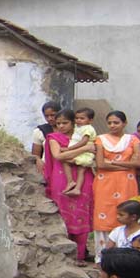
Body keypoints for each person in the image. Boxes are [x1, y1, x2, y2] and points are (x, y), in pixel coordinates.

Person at [45, 110, 96, 265]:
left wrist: (76, 151)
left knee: (82, 211)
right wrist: (84, 149)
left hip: (83, 177)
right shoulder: (54, 138)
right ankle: (64, 255)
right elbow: (58, 156)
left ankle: (80, 255)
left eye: (65, 123)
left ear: (73, 122)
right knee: (63, 213)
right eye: (58, 123)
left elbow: (93, 151)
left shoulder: (83, 136)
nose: (61, 126)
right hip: (62, 179)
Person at [94, 111, 140, 262]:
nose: (112, 125)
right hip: (105, 182)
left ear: (124, 123)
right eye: (109, 123)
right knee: (104, 213)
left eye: (116, 122)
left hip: (126, 182)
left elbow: (139, 163)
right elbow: (100, 164)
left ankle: (127, 255)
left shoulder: (133, 139)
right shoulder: (100, 139)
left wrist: (113, 163)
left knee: (127, 210)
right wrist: (126, 165)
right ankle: (102, 258)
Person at [61, 108, 97, 196]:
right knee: (81, 171)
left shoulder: (88, 129)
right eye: (77, 118)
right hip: (83, 153)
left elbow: (84, 141)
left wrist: (69, 149)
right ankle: (77, 189)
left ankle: (70, 181)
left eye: (82, 118)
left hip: (84, 153)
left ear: (90, 120)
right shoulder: (79, 127)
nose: (78, 120)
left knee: (65, 161)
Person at [32, 101, 62, 174]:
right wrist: (38, 161)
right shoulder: (39, 132)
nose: (50, 118)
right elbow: (36, 154)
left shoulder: (69, 129)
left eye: (53, 115)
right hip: (48, 168)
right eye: (46, 116)